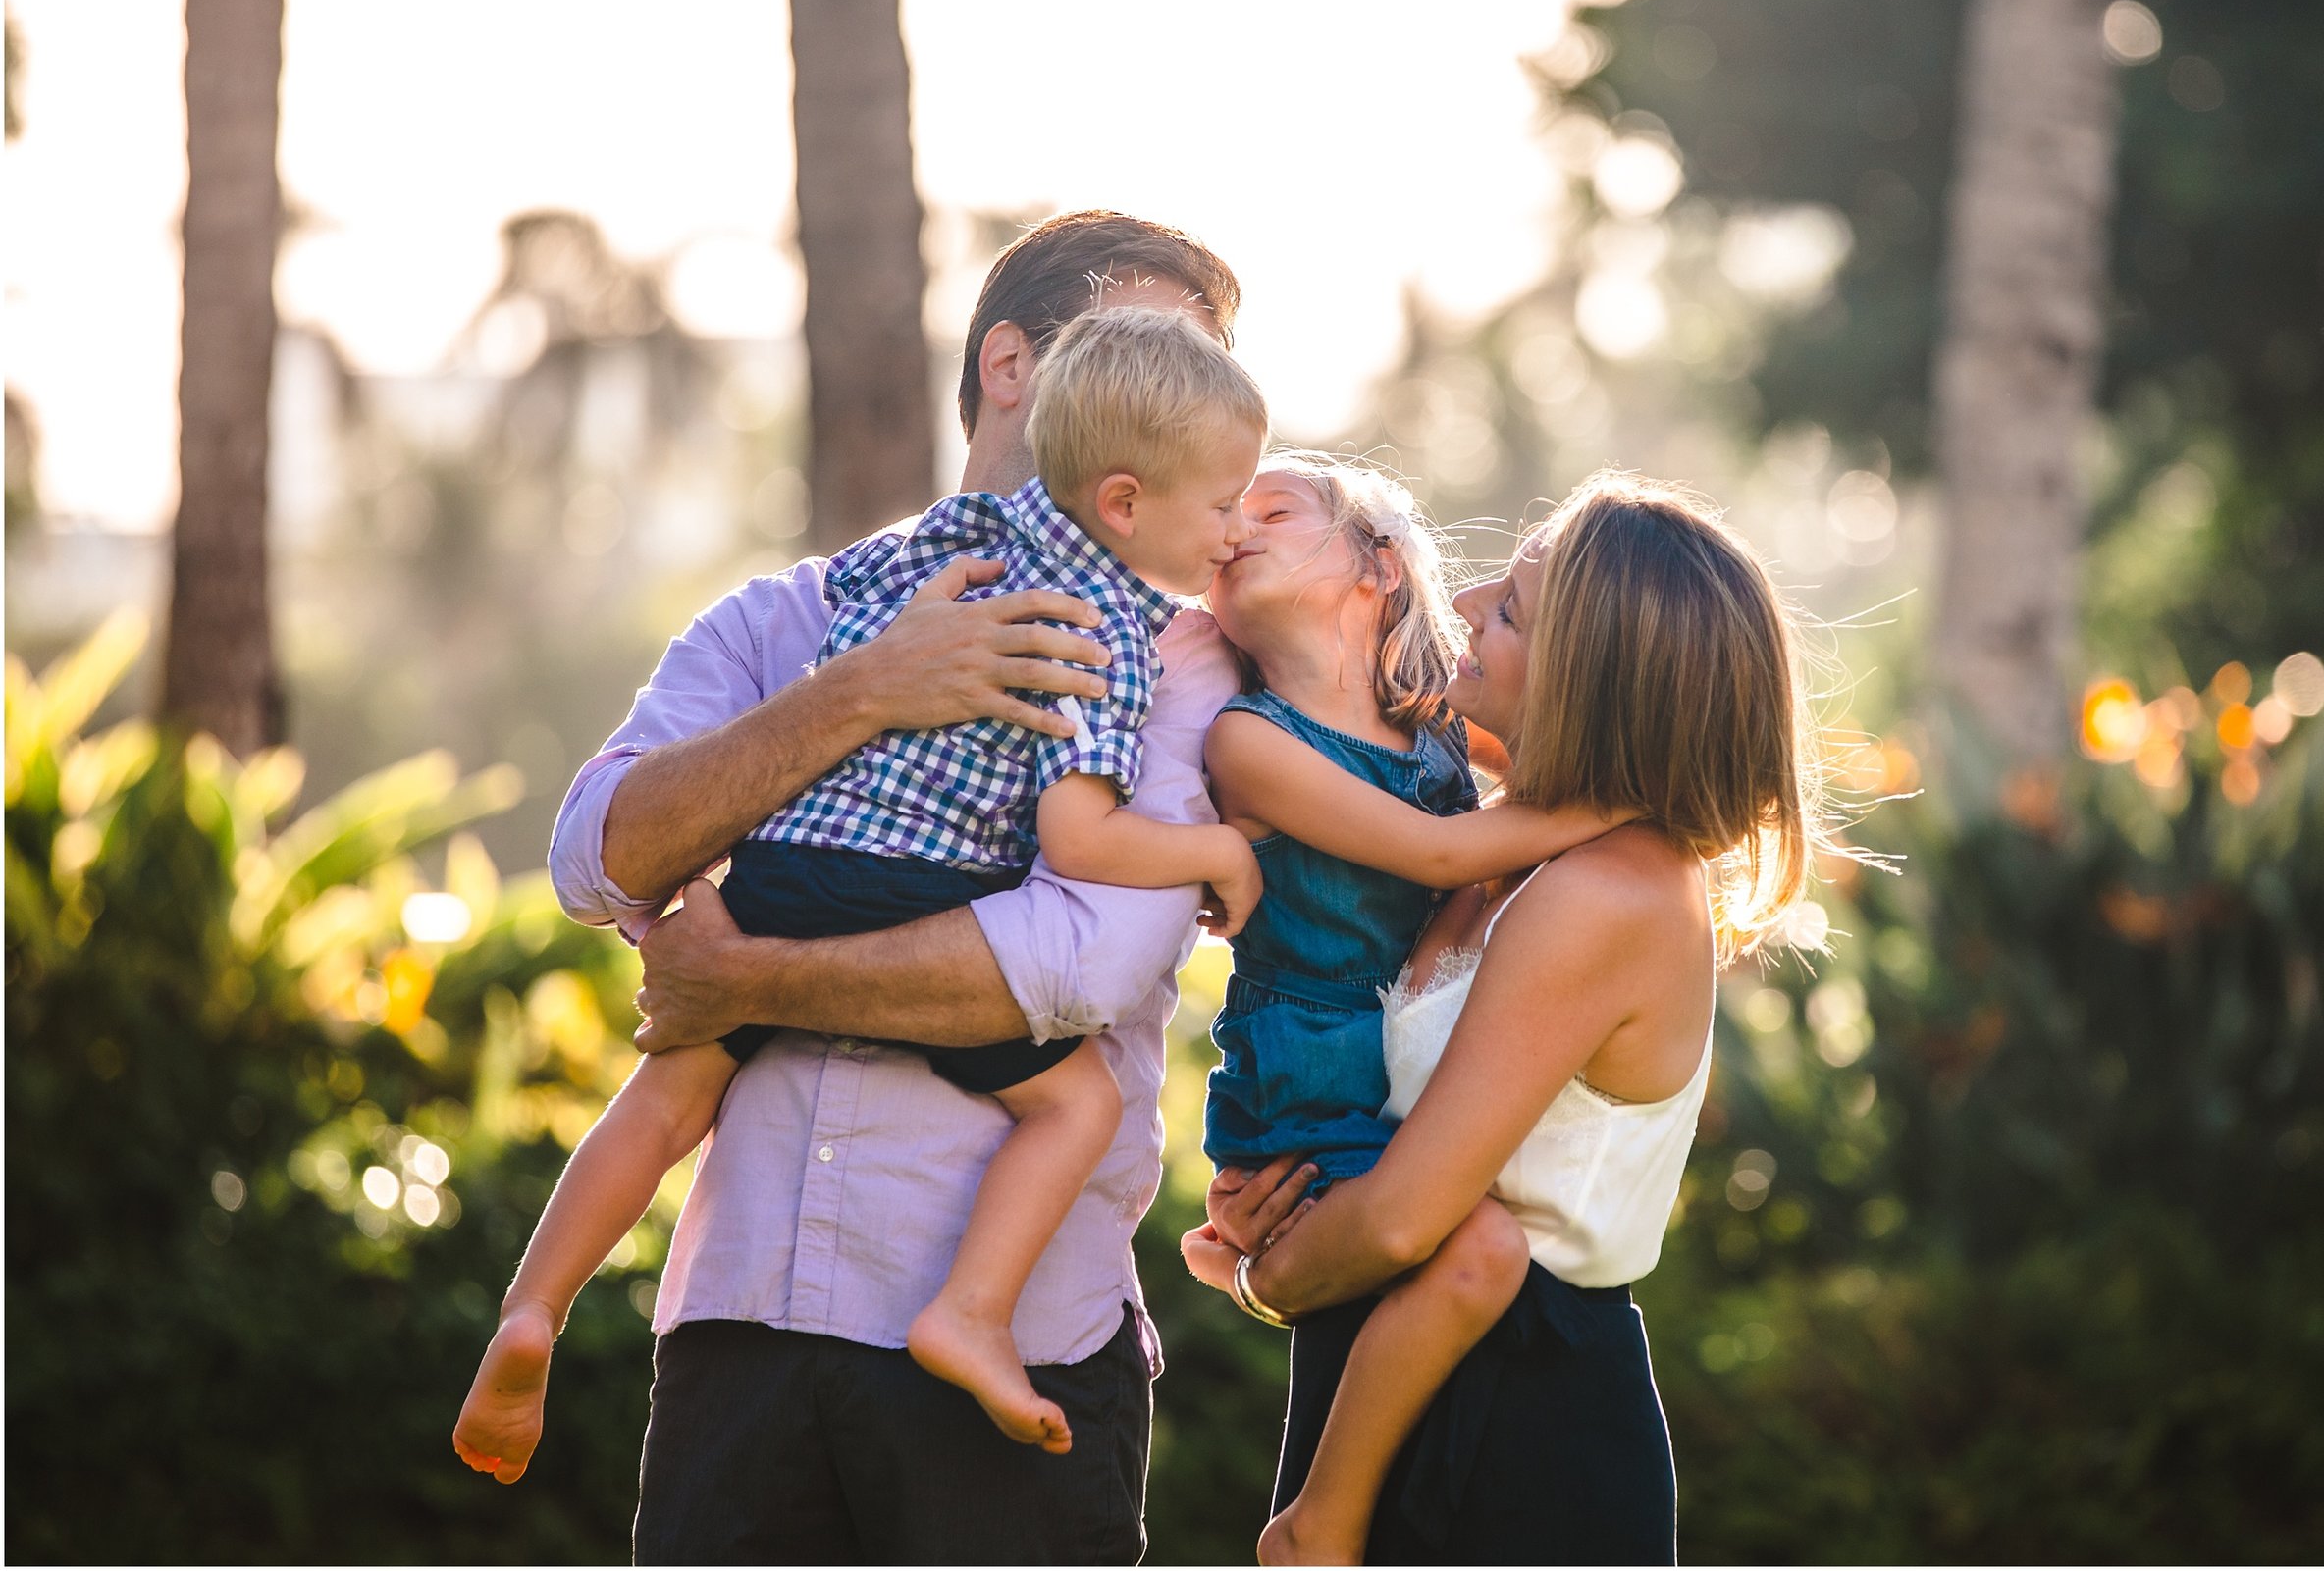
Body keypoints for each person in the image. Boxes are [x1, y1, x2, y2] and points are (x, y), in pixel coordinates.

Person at [495, 211, 1249, 1563]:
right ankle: (527, 1315)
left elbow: (1078, 961)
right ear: (1013, 364)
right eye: (1144, 345)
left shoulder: (1179, 659)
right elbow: (594, 855)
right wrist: (863, 691)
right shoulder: (801, 614)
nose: (1188, 394)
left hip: (1024, 1345)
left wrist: (753, 977)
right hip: (739, 1335)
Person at [1186, 472, 1841, 1563]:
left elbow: (1402, 1221)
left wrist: (1255, 1273)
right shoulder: (1500, 843)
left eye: (1514, 607)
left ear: (1592, 676)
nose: (1472, 596)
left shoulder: (1609, 890)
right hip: (1389, 1353)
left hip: (1513, 1412)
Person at [1193, 451, 1628, 1561]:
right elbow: (1441, 845)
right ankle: (1318, 1522)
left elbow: (1547, 736)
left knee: (1461, 1237)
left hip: (1402, 1073)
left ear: (1375, 564)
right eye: (1225, 512)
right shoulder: (1250, 741)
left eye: (1272, 507)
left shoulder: (1432, 717)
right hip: (1313, 1070)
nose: (1234, 523)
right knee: (1474, 1248)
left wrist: (1627, 777)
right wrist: (1622, 804)